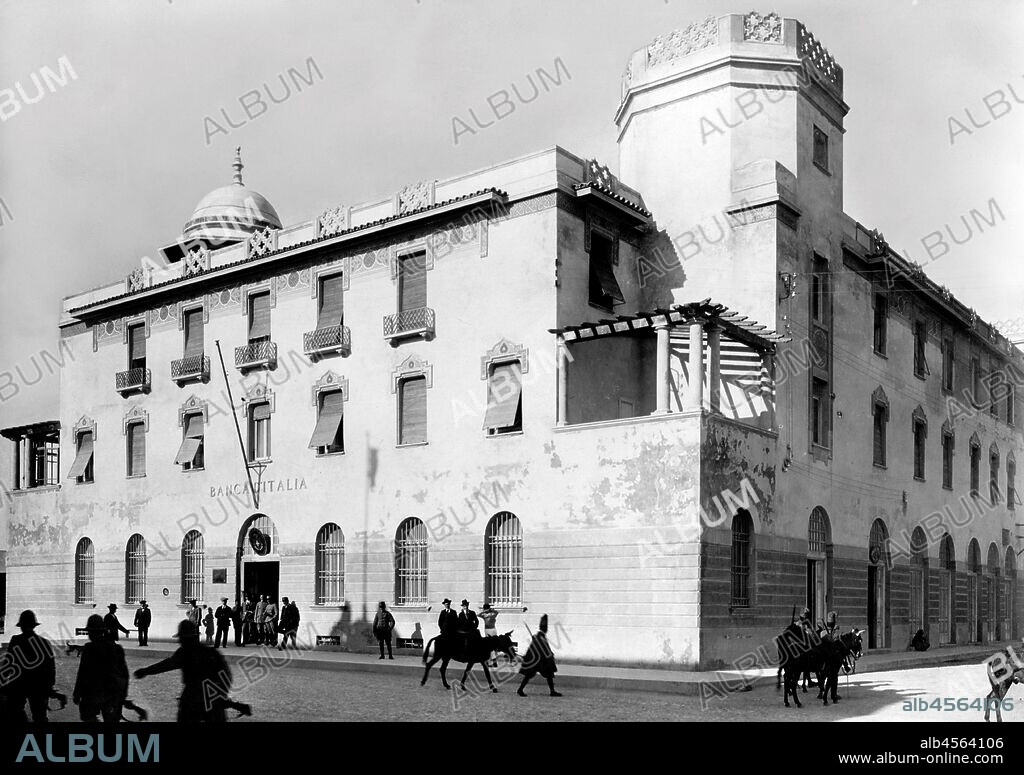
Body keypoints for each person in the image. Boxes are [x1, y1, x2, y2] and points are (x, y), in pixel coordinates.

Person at [134, 620, 251, 722]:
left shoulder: (185, 652)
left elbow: (166, 665)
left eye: (182, 638)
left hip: (193, 699)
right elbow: (226, 677)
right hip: (212, 699)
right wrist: (220, 695)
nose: (180, 641)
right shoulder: (212, 653)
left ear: (187, 638)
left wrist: (145, 671)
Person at [73, 614, 130, 722]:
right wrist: (122, 696)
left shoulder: (89, 649)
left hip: (92, 695)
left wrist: (77, 693)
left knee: (88, 717)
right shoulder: (117, 648)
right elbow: (124, 675)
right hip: (112, 696)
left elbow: (82, 673)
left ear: (91, 633)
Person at [6, 610, 56, 722]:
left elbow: (8, 663)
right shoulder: (44, 642)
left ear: (21, 626)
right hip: (39, 685)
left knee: (14, 712)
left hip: (18, 684)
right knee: (40, 716)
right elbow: (51, 668)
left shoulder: (16, 640)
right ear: (34, 625)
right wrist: (50, 686)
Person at [518, 614, 561, 697]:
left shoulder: (539, 637)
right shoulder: (540, 637)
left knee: (548, 675)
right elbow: (542, 649)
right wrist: (549, 655)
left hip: (540, 660)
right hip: (539, 661)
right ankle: (520, 690)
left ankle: (552, 691)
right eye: (546, 628)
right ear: (544, 629)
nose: (546, 630)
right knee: (533, 675)